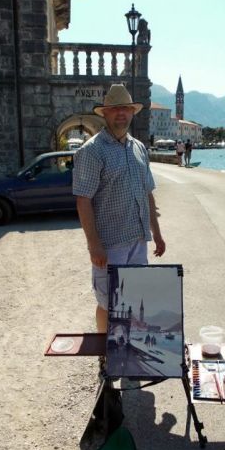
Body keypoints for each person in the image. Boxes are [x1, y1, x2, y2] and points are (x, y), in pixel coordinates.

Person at [73, 84, 166, 334]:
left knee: (134, 299)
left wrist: (156, 233)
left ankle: (130, 355)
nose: (121, 113)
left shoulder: (138, 148)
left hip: (137, 241)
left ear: (132, 112)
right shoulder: (91, 151)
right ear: (105, 113)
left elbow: (147, 193)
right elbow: (83, 200)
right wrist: (94, 244)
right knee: (107, 303)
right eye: (115, 109)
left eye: (125, 108)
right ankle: (106, 357)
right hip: (110, 245)